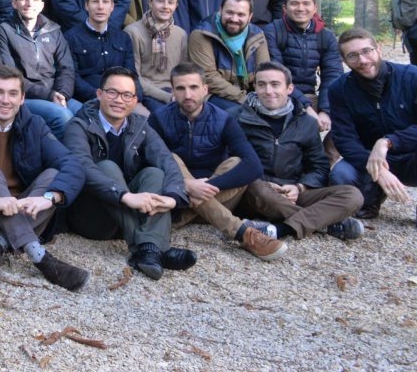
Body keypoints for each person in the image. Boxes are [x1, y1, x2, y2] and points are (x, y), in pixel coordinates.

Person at [0, 66, 90, 290]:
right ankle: (41, 258)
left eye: (13, 93)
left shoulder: (35, 124)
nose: (5, 100)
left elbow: (72, 164)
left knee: (54, 176)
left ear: (23, 98)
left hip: (26, 211)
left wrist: (49, 198)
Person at [63, 67, 196, 281]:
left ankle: (149, 250)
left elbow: (166, 161)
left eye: (127, 95)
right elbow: (81, 167)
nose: (119, 100)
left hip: (129, 217)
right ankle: (152, 247)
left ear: (134, 101)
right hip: (93, 217)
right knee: (106, 167)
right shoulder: (78, 126)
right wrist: (126, 196)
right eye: (112, 93)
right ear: (99, 94)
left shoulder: (140, 126)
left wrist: (173, 197)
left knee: (154, 173)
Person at [148, 63, 285, 261]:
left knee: (236, 162)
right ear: (173, 91)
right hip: (175, 190)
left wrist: (205, 187)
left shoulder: (224, 119)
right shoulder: (159, 119)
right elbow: (149, 159)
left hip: (208, 195)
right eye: (180, 88)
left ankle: (182, 215)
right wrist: (187, 185)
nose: (188, 95)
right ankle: (243, 233)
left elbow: (253, 166)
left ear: (205, 89)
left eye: (194, 87)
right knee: (169, 157)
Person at [239, 63, 365, 241]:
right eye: (261, 84)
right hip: (256, 191)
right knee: (258, 188)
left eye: (275, 84)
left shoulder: (305, 122)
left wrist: (299, 187)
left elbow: (319, 167)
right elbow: (230, 161)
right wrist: (264, 183)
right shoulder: (238, 118)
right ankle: (325, 223)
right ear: (255, 87)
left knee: (352, 195)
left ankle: (281, 228)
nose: (268, 90)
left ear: (289, 88)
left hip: (293, 191)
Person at [327, 28, 417, 220]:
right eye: (353, 56)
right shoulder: (338, 90)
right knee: (341, 175)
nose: (363, 60)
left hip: (411, 155)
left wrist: (387, 142)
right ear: (344, 61)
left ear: (379, 50)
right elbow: (345, 139)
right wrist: (379, 169)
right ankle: (371, 197)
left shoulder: (412, 77)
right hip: (369, 160)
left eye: (367, 51)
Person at [0, 0, 81, 139]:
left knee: (85, 113)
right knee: (63, 116)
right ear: (14, 3)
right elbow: (11, 76)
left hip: (56, 93)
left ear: (41, 5)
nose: (29, 4)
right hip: (24, 97)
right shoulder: (4, 30)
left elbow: (67, 68)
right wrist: (49, 95)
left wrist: (61, 93)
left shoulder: (53, 29)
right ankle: (61, 161)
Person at [262, 0, 341, 126]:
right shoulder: (272, 31)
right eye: (294, 3)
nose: (300, 8)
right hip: (280, 94)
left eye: (306, 3)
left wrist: (325, 111)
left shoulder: (325, 36)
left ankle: (329, 148)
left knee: (345, 120)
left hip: (312, 96)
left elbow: (333, 74)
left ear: (315, 8)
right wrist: (306, 107)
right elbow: (278, 75)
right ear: (285, 8)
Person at [188, 0, 271, 114]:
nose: (234, 19)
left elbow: (264, 72)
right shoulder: (201, 34)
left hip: (249, 94)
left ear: (250, 17)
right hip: (212, 94)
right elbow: (208, 77)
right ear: (221, 10)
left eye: (241, 14)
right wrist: (244, 98)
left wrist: (262, 97)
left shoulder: (257, 35)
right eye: (230, 12)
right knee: (241, 113)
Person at [65, 0, 140, 104]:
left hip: (122, 100)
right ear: (86, 6)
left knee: (145, 118)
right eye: (95, 2)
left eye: (105, 2)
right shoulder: (71, 38)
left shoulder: (123, 38)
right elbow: (73, 77)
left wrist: (135, 97)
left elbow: (131, 74)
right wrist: (100, 97)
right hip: (87, 100)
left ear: (112, 7)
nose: (100, 7)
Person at [125, 0, 189, 110]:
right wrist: (166, 96)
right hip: (148, 92)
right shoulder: (133, 32)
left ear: (176, 5)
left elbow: (184, 72)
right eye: (160, 1)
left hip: (175, 90)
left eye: (170, 3)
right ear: (150, 3)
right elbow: (134, 76)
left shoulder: (181, 34)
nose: (165, 6)